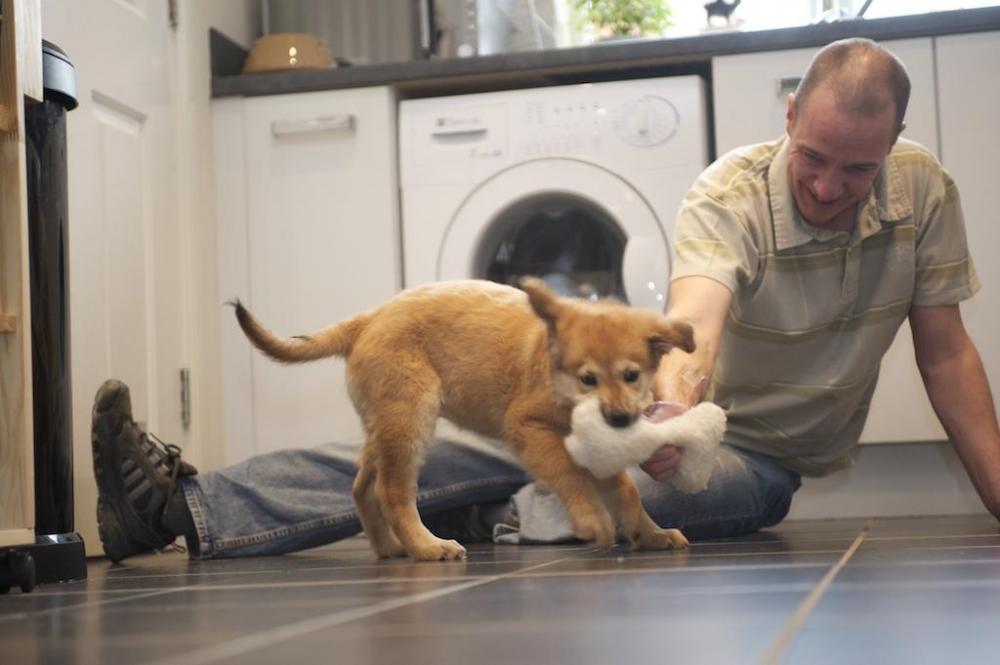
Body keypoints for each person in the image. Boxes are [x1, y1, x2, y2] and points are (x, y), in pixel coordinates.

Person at [91, 37, 999, 563]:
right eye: (816, 158)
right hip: (686, 420)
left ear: (897, 143)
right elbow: (695, 320)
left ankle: (496, 509)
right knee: (532, 453)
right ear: (791, 113)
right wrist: (664, 418)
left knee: (682, 498)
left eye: (859, 167)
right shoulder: (731, 193)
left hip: (763, 463)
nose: (834, 186)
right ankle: (185, 505)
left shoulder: (924, 195)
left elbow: (947, 351)